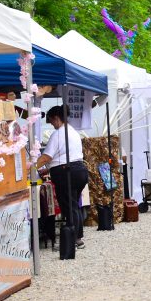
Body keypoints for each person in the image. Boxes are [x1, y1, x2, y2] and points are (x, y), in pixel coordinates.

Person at [36, 105, 88, 249]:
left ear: (56, 118)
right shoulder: (73, 132)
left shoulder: (59, 134)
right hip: (79, 170)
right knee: (74, 206)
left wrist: (32, 167)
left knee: (69, 207)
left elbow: (46, 157)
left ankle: (72, 240)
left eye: (51, 121)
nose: (52, 125)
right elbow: (63, 155)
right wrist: (47, 170)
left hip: (67, 173)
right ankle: (78, 239)